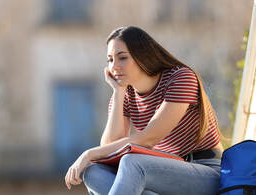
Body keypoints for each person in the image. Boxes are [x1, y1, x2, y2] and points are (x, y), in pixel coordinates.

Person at [64, 26, 223, 195]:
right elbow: (110, 147)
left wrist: (88, 153)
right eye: (110, 60)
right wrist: (118, 93)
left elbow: (148, 138)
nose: (114, 66)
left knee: (132, 163)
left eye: (122, 58)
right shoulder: (125, 93)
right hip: (160, 175)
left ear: (142, 56)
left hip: (205, 172)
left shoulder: (180, 78)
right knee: (94, 172)